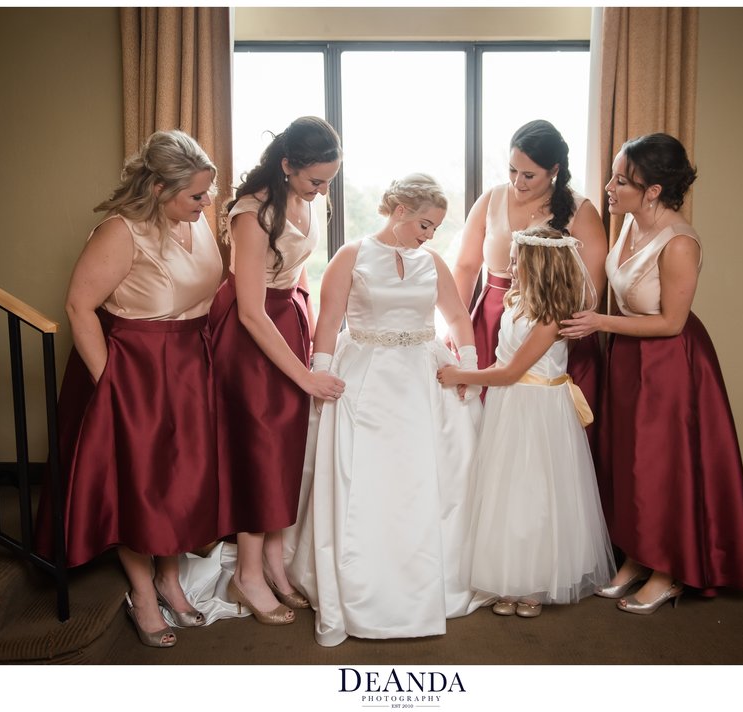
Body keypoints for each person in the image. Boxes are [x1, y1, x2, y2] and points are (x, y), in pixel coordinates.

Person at [560, 133, 743, 614]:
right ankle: (637, 558)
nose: (609, 187)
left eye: (621, 180)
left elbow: (672, 323)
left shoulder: (679, 243)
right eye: (612, 175)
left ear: (653, 190)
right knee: (628, 459)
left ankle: (668, 572)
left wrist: (598, 323)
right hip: (630, 355)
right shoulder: (629, 224)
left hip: (672, 363)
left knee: (662, 465)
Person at [39, 129, 224, 648]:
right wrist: (111, 388)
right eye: (196, 195)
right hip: (136, 367)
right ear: (160, 190)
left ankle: (171, 580)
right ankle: (142, 592)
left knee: (180, 479)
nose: (206, 202)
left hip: (189, 363)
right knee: (140, 483)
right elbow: (80, 307)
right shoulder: (120, 231)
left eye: (206, 192)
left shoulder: (195, 219)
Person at [286, 174, 486, 647]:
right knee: (369, 480)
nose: (429, 235)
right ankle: (364, 585)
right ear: (397, 210)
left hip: (423, 374)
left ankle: (433, 581)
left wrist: (470, 369)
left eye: (435, 227)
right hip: (367, 375)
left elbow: (457, 317)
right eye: (424, 224)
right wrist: (322, 373)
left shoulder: (431, 261)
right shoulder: (351, 256)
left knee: (429, 478)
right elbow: (330, 321)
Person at [437, 226, 616, 618]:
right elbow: (503, 365)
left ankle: (534, 582)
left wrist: (462, 376)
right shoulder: (515, 300)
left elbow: (510, 371)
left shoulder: (552, 317)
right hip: (510, 406)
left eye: (517, 261)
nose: (509, 267)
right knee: (507, 493)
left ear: (540, 266)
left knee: (536, 494)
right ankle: (509, 577)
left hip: (538, 410)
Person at [210, 116, 345, 626]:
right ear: (287, 165)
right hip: (249, 336)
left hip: (286, 320)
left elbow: (298, 268)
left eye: (329, 180)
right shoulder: (252, 213)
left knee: (287, 449)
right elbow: (248, 309)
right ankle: (246, 575)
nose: (323, 190)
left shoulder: (308, 198)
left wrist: (310, 337)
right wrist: (306, 376)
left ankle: (273, 562)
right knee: (259, 450)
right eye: (315, 180)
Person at [452, 119, 608, 412]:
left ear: (554, 171)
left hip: (554, 324)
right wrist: (456, 329)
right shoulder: (491, 199)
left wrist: (551, 332)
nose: (517, 182)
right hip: (492, 320)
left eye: (528, 175)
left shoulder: (581, 211)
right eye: (512, 170)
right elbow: (466, 267)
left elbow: (590, 293)